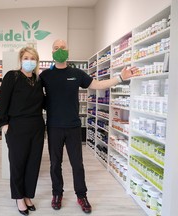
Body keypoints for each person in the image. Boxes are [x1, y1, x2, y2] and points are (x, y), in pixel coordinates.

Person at [40, 39, 138, 213]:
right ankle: (57, 194)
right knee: (55, 164)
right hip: (54, 126)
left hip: (73, 127)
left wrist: (120, 78)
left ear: (68, 50)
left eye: (63, 47)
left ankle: (81, 195)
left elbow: (99, 85)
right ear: (52, 51)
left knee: (77, 164)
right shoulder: (45, 75)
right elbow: (33, 96)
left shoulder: (77, 73)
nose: (59, 50)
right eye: (56, 48)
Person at [0, 46, 45, 216]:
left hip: (37, 127)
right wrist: (4, 125)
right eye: (26, 58)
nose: (29, 61)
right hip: (17, 127)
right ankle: (18, 197)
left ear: (36, 61)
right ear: (21, 59)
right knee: (18, 163)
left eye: (33, 58)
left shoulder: (38, 80)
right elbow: (2, 102)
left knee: (33, 163)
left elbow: (43, 103)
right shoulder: (12, 76)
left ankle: (28, 195)